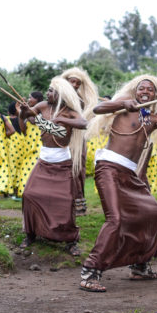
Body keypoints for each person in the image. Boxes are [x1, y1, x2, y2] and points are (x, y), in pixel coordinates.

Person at [79, 75, 157, 292]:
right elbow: (98, 109)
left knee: (153, 214)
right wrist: (123, 103)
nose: (145, 92)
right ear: (135, 90)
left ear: (155, 95)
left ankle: (140, 266)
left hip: (130, 175)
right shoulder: (122, 105)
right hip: (109, 168)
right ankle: (90, 271)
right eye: (142, 88)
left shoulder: (152, 118)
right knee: (116, 220)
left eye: (150, 90)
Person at [19, 78, 87, 256]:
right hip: (43, 161)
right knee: (29, 194)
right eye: (48, 90)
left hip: (63, 163)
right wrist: (23, 112)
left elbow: (83, 123)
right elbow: (27, 118)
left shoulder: (70, 111)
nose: (48, 93)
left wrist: (62, 120)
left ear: (62, 95)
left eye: (52, 91)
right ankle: (30, 234)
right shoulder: (42, 106)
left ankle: (70, 240)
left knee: (65, 200)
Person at [61, 67, 99, 215]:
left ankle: (78, 204)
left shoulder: (81, 100)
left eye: (78, 83)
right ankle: (63, 203)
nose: (76, 85)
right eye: (73, 82)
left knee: (78, 167)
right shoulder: (57, 96)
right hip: (61, 137)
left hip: (77, 138)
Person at [16, 91, 44, 197]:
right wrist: (21, 114)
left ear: (37, 100)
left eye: (30, 98)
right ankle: (28, 193)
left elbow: (38, 122)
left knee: (37, 169)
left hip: (40, 147)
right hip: (29, 147)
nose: (28, 100)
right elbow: (23, 130)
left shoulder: (43, 111)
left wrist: (33, 117)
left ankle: (39, 193)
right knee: (27, 169)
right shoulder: (27, 113)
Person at [7, 102, 25, 200]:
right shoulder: (22, 119)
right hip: (22, 145)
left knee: (12, 168)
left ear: (8, 111)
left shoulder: (6, 119)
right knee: (21, 168)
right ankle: (19, 191)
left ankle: (12, 192)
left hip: (11, 147)